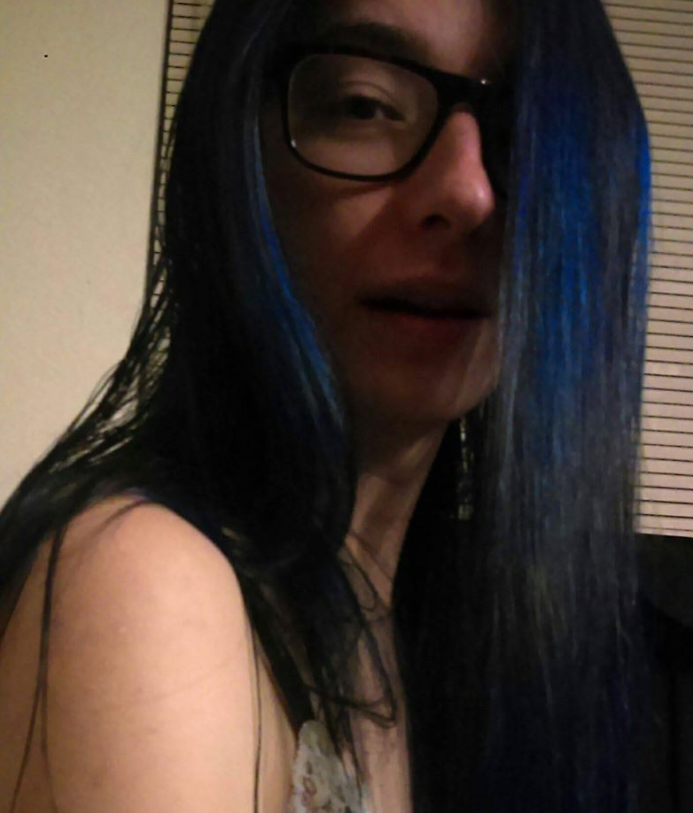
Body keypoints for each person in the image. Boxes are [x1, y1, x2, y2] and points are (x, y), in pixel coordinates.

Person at [0, 0, 668, 811]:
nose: (466, 193)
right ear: (237, 155)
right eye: (363, 105)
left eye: (523, 126)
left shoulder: (429, 642)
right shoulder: (145, 582)